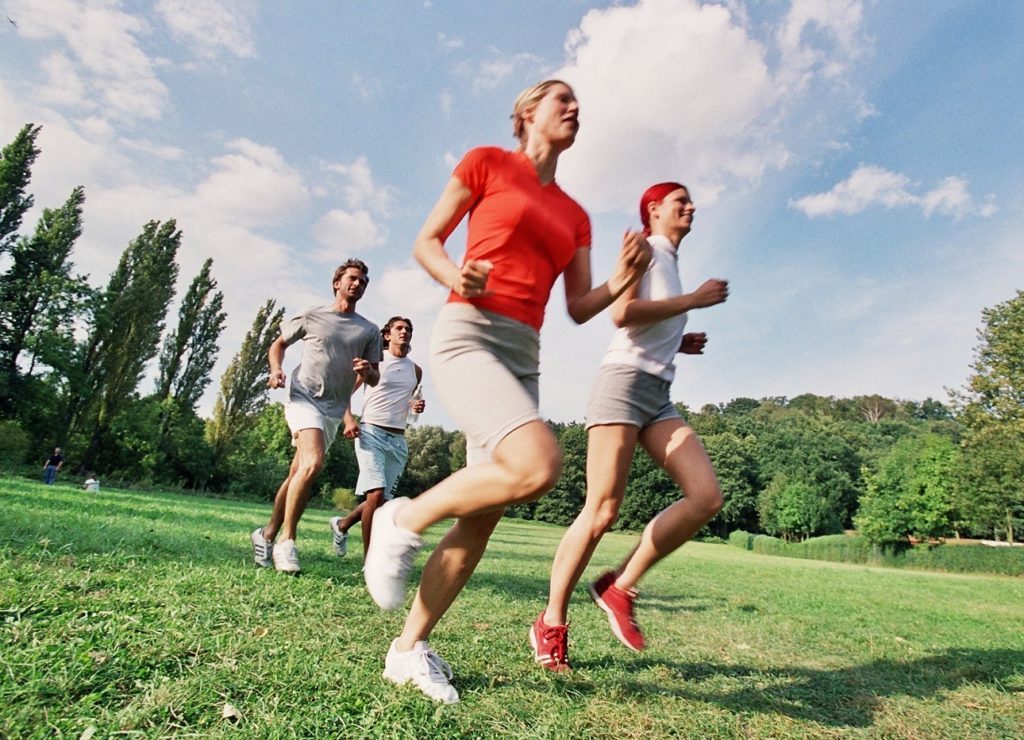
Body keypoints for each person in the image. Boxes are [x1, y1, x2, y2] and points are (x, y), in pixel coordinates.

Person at [361, 79, 651, 703]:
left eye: (580, 103)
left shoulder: (575, 216)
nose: (574, 109)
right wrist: (454, 275)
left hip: (525, 355)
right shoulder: (486, 162)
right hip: (470, 334)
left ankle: (406, 649)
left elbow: (578, 305)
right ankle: (401, 516)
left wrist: (623, 279)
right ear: (526, 113)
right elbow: (426, 242)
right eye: (561, 99)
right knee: (540, 463)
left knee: (482, 517)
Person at [531, 182, 729, 671]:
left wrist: (677, 341)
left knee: (706, 497)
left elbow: (646, 322)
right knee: (601, 510)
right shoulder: (649, 251)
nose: (691, 207)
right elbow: (620, 313)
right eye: (680, 201)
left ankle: (619, 587)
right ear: (654, 209)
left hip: (657, 394)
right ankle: (550, 622)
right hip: (622, 385)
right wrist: (692, 303)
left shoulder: (669, 259)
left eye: (691, 201)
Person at [250, 259, 382, 574]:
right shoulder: (313, 315)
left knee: (300, 471)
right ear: (337, 282)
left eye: (363, 281)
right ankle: (287, 541)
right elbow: (278, 345)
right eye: (352, 278)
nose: (357, 284)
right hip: (303, 396)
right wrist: (275, 369)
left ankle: (266, 534)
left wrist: (368, 370)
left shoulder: (369, 330)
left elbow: (375, 378)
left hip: (334, 409)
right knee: (312, 463)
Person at [329, 316, 426, 558]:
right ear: (387, 335)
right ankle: (370, 560)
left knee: (381, 502)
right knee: (375, 494)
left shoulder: (416, 370)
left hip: (398, 439)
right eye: (399, 328)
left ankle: (342, 525)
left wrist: (415, 406)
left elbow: (406, 400)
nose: (404, 332)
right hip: (371, 432)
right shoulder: (375, 364)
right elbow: (343, 394)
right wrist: (349, 420)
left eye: (408, 329)